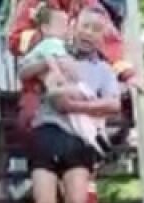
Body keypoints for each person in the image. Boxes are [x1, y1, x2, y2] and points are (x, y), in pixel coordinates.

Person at [17, 7, 120, 203]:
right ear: (74, 26)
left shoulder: (102, 69)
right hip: (47, 131)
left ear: (103, 37)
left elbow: (113, 104)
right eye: (86, 26)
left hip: (79, 139)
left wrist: (76, 107)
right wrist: (47, 63)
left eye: (97, 30)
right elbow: (25, 71)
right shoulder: (54, 47)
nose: (90, 33)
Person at [19, 7, 111, 157]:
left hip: (61, 86)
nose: (65, 29)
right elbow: (50, 60)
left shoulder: (60, 44)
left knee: (82, 110)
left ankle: (97, 135)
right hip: (56, 86)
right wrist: (58, 72)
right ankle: (95, 137)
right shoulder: (51, 43)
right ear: (46, 29)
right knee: (81, 103)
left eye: (66, 25)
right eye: (61, 26)